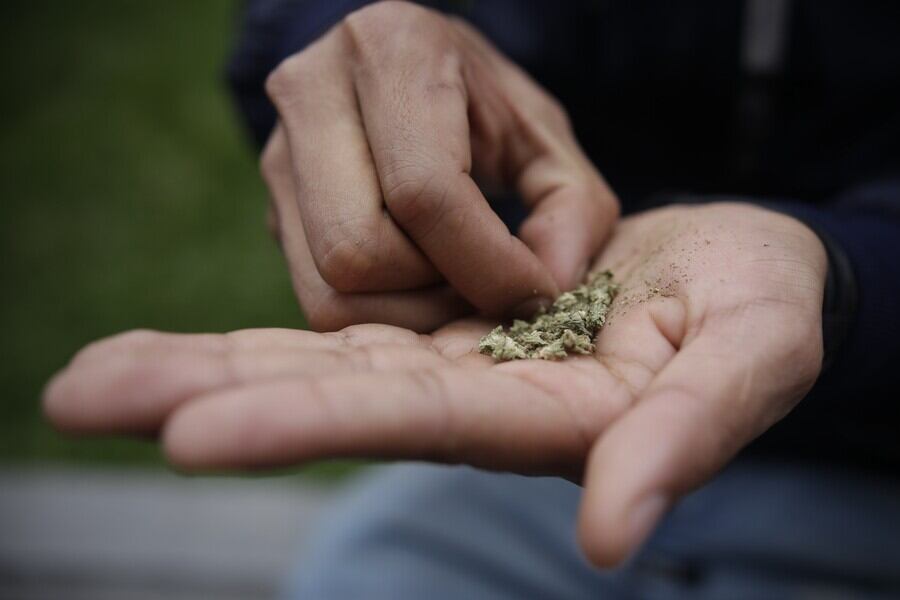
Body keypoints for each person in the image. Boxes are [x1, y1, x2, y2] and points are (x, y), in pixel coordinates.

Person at [45, 1, 900, 597]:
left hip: (871, 471)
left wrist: (847, 273)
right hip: (532, 471)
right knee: (359, 572)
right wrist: (352, 43)